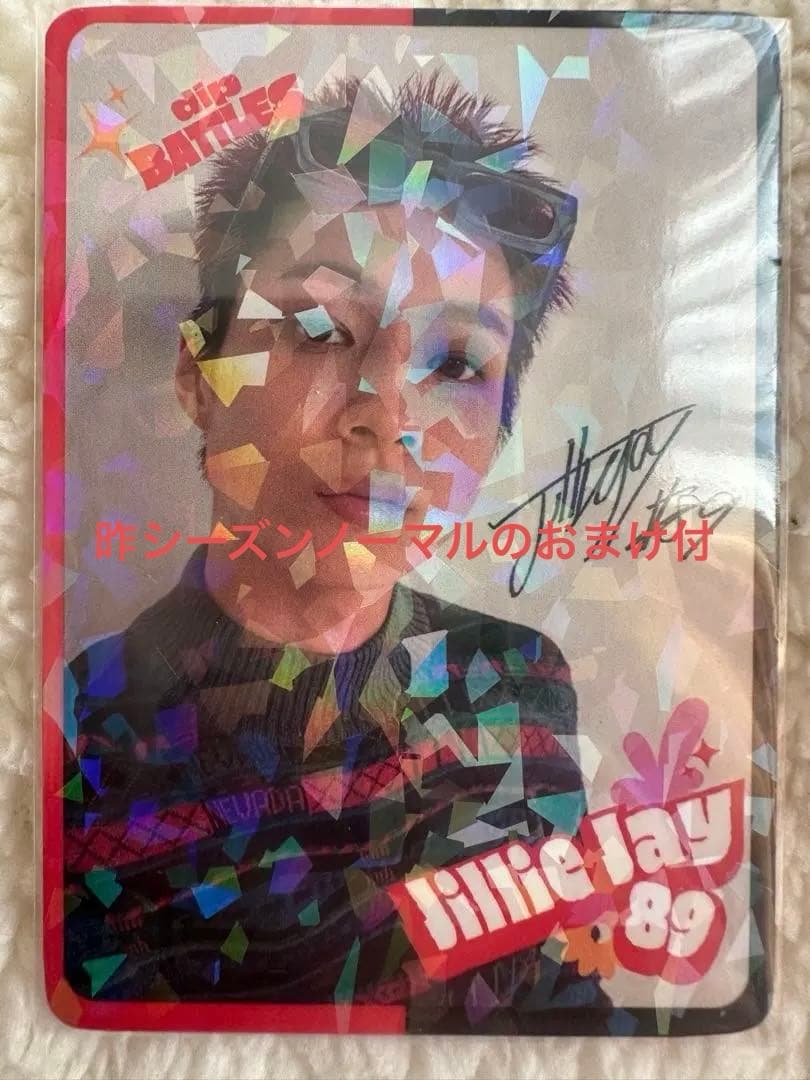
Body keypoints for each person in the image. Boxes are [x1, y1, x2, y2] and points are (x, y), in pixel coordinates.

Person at [63, 72, 612, 1032]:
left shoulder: (520, 681)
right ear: (197, 375)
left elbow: (560, 1002)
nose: (384, 414)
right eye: (318, 330)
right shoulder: (83, 724)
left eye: (457, 362)